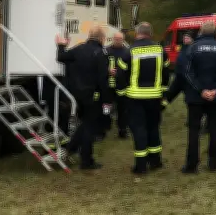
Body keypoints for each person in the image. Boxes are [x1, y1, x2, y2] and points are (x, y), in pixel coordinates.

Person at [115, 22, 170, 175]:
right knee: (153, 128)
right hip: (155, 97)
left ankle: (141, 166)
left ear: (137, 33)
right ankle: (155, 161)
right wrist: (163, 95)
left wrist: (121, 95)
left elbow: (120, 76)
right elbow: (166, 75)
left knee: (139, 129)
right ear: (150, 33)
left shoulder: (129, 51)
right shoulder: (160, 50)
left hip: (135, 98)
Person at [54, 26, 111, 170]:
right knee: (89, 127)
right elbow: (103, 80)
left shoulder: (79, 49)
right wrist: (106, 101)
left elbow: (61, 57)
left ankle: (71, 148)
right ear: (102, 38)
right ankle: (86, 160)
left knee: (84, 124)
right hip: (91, 96)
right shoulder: (101, 53)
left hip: (74, 95)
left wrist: (61, 45)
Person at [182, 20, 216, 173]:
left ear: (201, 32)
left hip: (195, 97)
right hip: (215, 97)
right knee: (214, 130)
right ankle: (214, 163)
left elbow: (187, 72)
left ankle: (191, 165)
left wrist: (200, 90)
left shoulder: (192, 49)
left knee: (193, 130)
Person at [101, 32, 129, 139]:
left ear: (123, 39)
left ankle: (122, 130)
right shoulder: (106, 51)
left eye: (120, 39)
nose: (118, 41)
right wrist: (108, 71)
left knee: (122, 110)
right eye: (116, 39)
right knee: (106, 108)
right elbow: (100, 65)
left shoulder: (127, 52)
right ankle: (104, 127)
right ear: (113, 39)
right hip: (108, 87)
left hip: (122, 86)